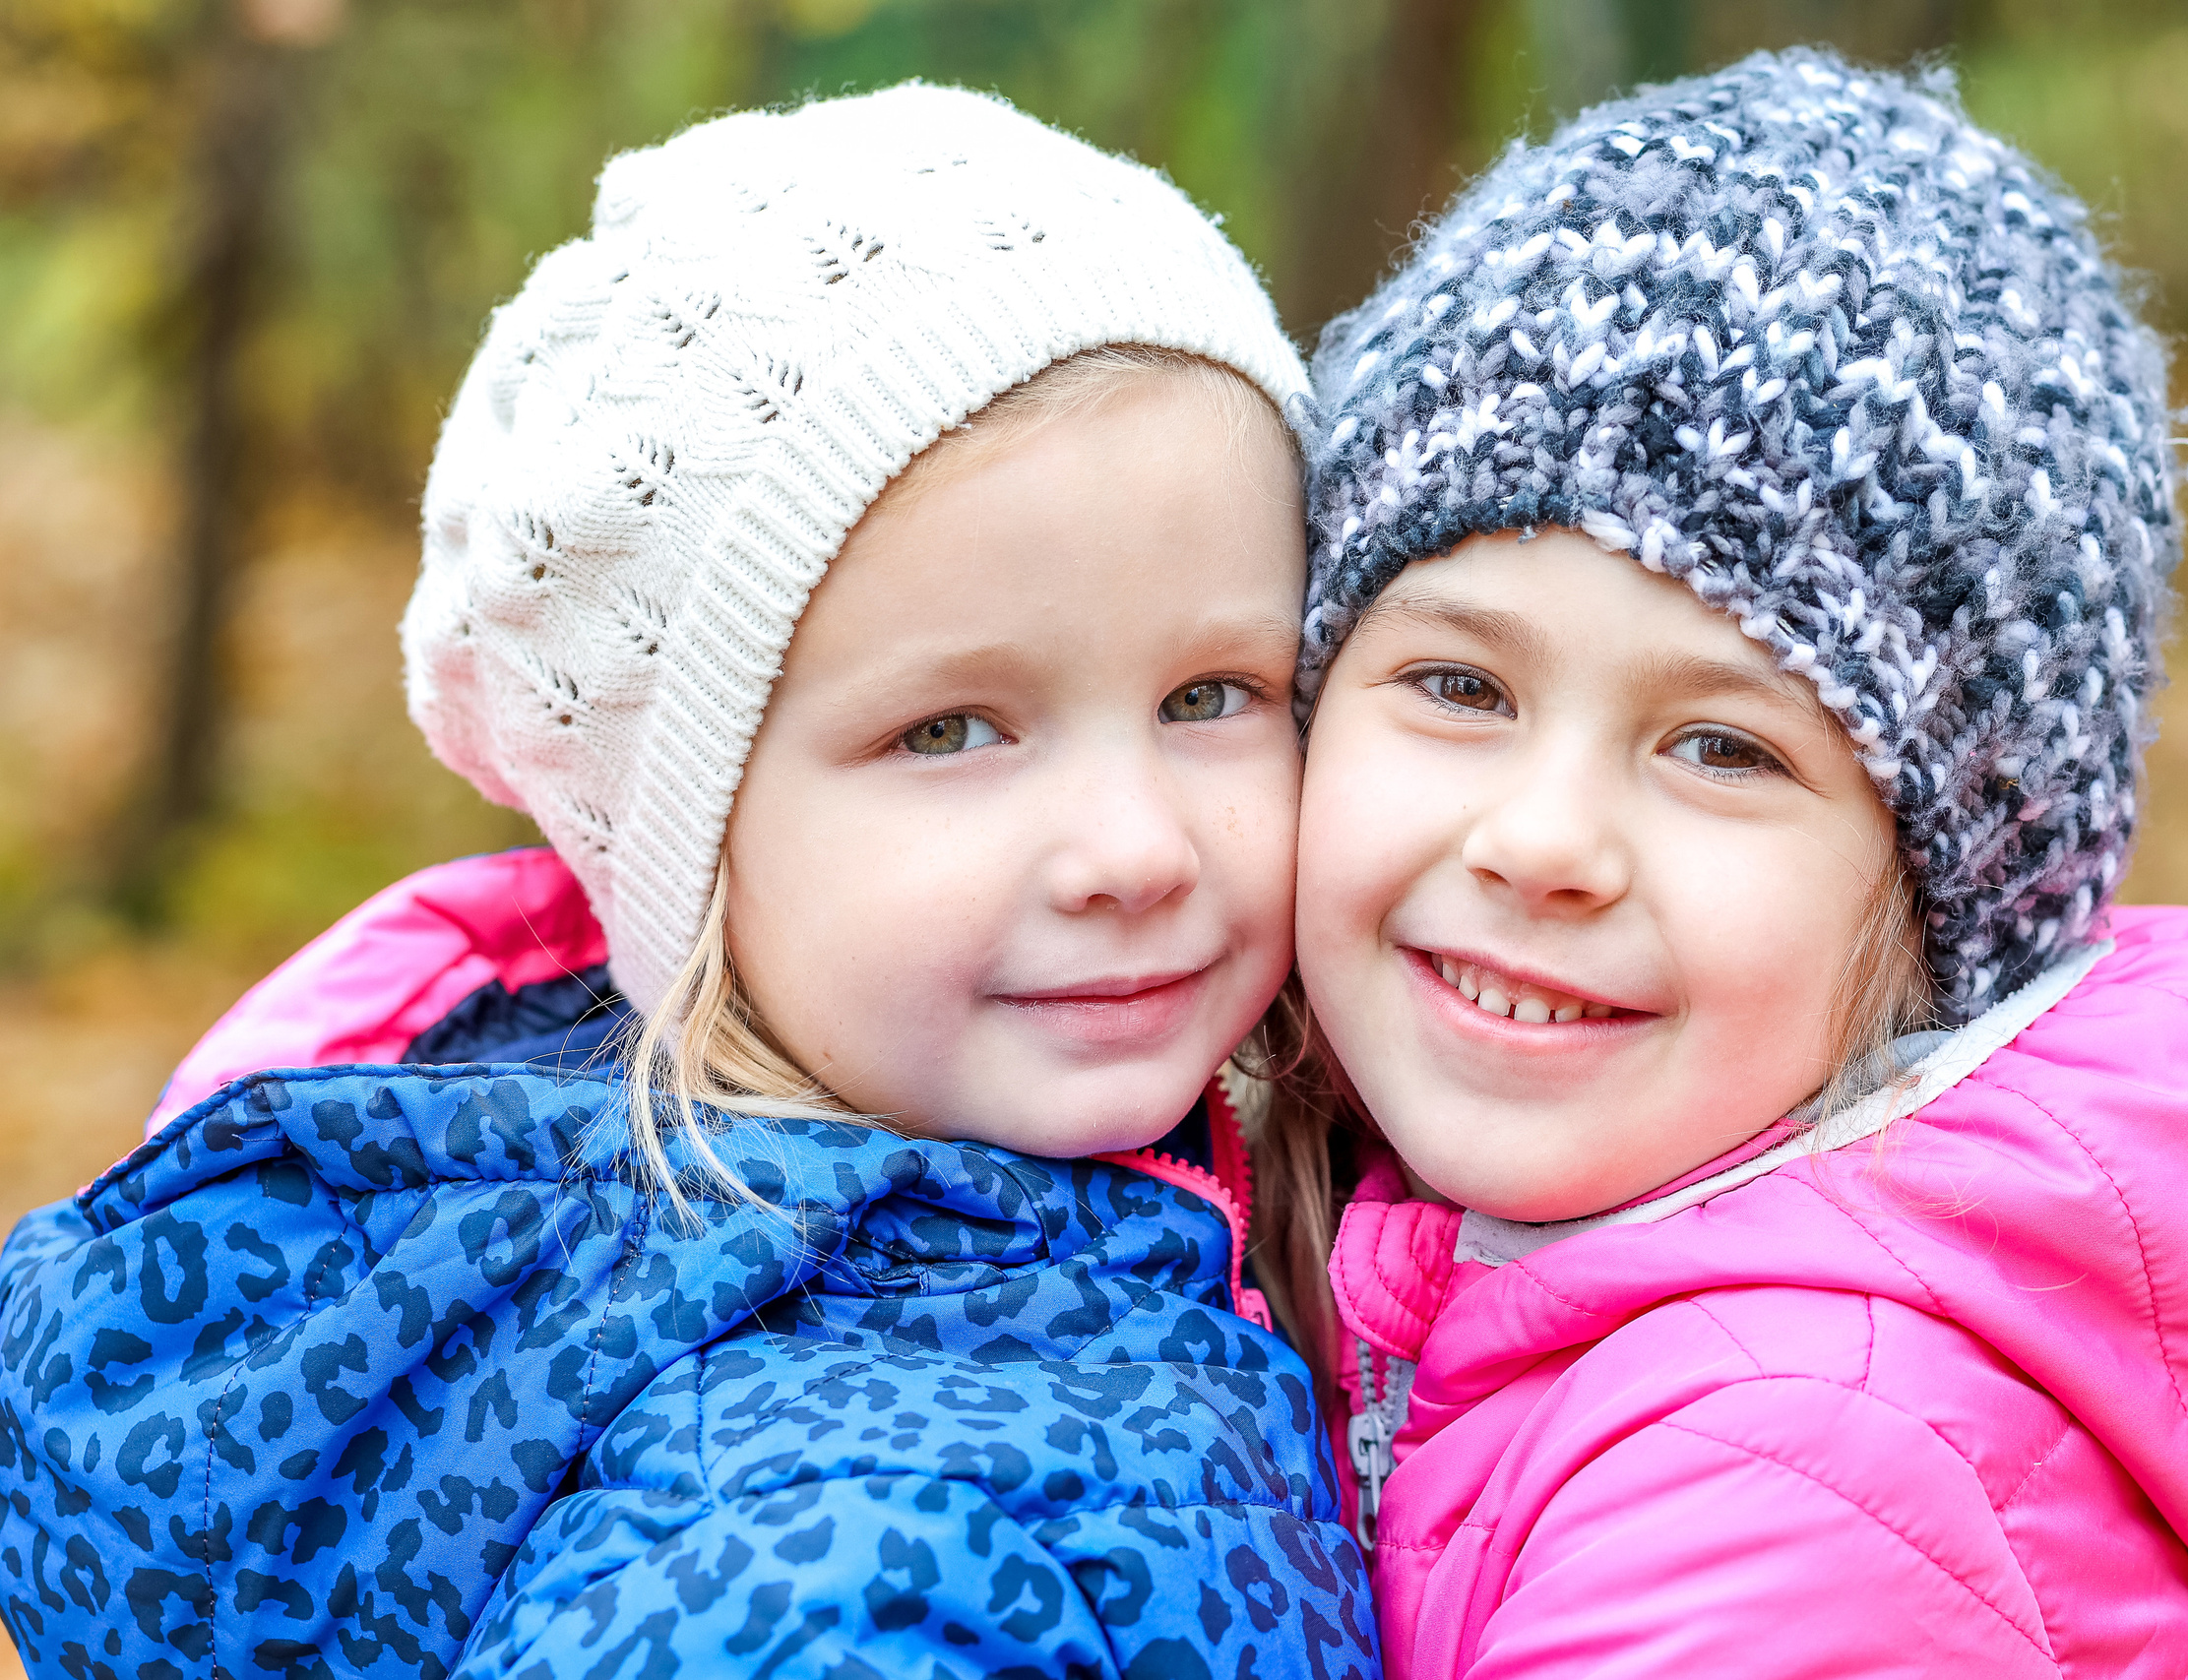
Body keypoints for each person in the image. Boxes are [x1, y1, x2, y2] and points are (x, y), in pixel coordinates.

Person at [0, 87, 1377, 1680]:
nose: (1138, 849)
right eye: (951, 730)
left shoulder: (1090, 1217)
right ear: (683, 835)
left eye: (1212, 695)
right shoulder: (845, 1545)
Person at [1273, 49, 2188, 1679]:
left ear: (1947, 906)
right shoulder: (1343, 1233)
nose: (1541, 842)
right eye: (1461, 687)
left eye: (1724, 749)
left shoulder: (1802, 1476)